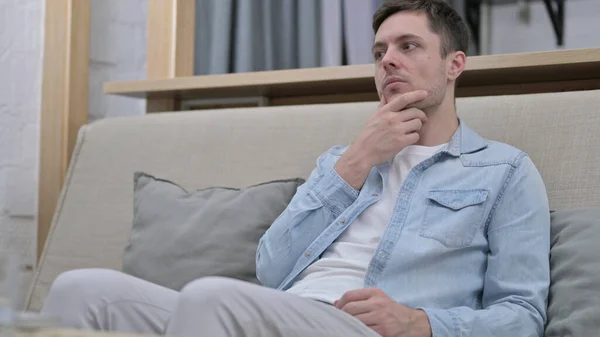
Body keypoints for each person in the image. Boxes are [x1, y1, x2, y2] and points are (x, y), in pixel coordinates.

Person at [41, 1, 551, 336]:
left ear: (454, 64)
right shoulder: (342, 161)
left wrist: (420, 322)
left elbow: (523, 315)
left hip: (366, 327)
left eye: (408, 46)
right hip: (287, 314)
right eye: (379, 52)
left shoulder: (504, 172)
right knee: (81, 288)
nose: (387, 61)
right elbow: (271, 268)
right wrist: (354, 162)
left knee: (211, 297)